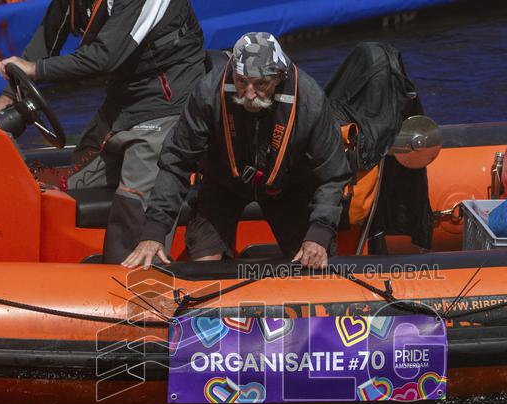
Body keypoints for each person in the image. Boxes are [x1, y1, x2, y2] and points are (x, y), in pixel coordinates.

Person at [0, 0, 206, 263]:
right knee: (72, 182)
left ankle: (139, 285)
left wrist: (36, 70)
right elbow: (49, 36)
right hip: (122, 101)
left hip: (164, 103)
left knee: (135, 201)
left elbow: (105, 56)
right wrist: (8, 99)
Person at [122, 32, 352, 270]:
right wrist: (154, 230)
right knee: (203, 266)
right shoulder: (208, 92)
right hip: (223, 184)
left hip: (288, 186)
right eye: (242, 81)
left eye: (261, 84)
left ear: (279, 77)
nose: (249, 93)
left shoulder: (309, 100)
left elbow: (333, 175)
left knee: (310, 260)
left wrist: (319, 233)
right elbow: (177, 161)